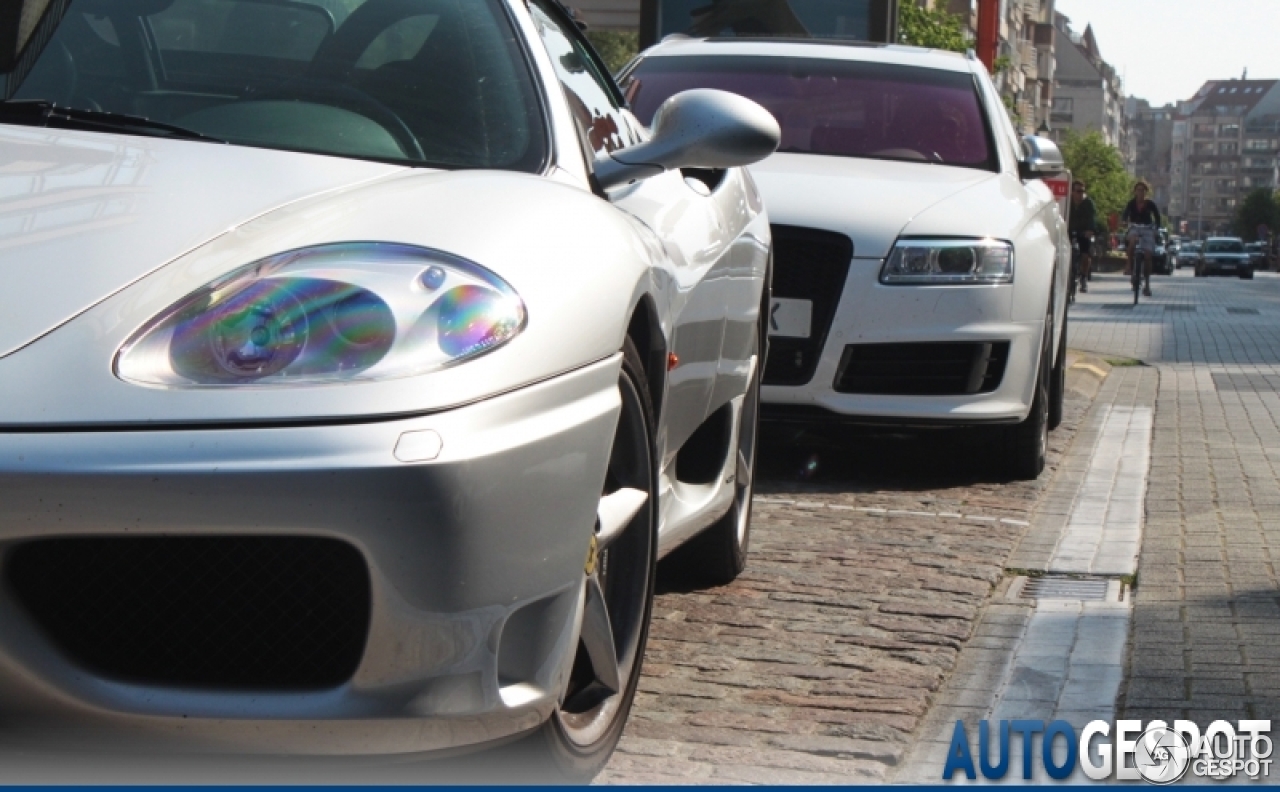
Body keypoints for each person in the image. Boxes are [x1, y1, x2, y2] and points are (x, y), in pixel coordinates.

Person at [1121, 181, 1162, 297]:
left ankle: (1147, 284)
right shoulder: (1131, 203)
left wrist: (1156, 229)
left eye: (1143, 190)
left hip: (1147, 229)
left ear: (1146, 192)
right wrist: (1124, 221)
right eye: (1138, 190)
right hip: (1134, 227)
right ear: (1135, 192)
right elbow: (1125, 214)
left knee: (1148, 255)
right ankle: (1129, 266)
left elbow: (1157, 217)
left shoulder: (1150, 204)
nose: (1140, 192)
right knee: (1132, 241)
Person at [1068, 180, 1096, 293]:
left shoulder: (1088, 203)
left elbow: (1092, 218)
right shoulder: (1068, 202)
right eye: (1078, 191)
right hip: (1069, 231)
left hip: (1084, 232)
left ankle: (1083, 277)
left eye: (1083, 191)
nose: (1081, 194)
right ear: (1072, 191)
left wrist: (1090, 230)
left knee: (1085, 254)